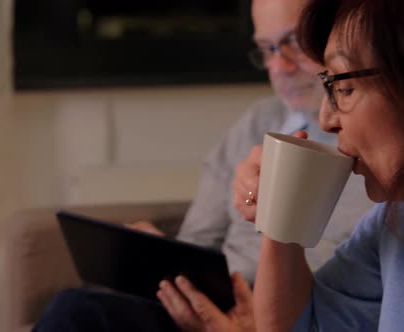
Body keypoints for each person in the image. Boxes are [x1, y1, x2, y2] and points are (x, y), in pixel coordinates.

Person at [33, 0, 373, 330]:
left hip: (279, 309)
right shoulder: (257, 123)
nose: (278, 66)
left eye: (293, 43)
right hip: (215, 298)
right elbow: (199, 239)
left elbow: (343, 289)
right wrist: (162, 260)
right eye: (267, 49)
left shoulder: (371, 153)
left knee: (78, 310)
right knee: (80, 306)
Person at [233, 0, 404, 330]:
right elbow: (303, 324)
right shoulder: (391, 222)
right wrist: (279, 212)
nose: (326, 120)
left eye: (344, 88)